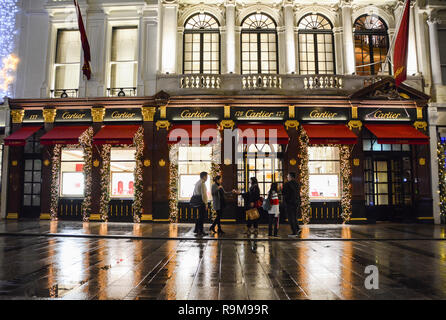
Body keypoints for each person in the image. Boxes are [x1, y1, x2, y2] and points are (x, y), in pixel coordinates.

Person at [282, 172, 301, 237]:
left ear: (290, 177)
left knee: (290, 218)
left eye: (287, 176)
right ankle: (297, 229)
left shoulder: (287, 184)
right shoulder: (297, 184)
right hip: (296, 203)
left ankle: (294, 232)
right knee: (294, 217)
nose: (287, 178)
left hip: (289, 203)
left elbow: (283, 193)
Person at [191, 171, 209, 236]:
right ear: (204, 176)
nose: (207, 178)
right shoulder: (202, 183)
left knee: (199, 216)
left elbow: (195, 193)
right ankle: (200, 231)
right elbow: (204, 194)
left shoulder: (197, 182)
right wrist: (206, 203)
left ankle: (196, 229)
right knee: (202, 217)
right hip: (202, 202)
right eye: (207, 176)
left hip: (197, 202)